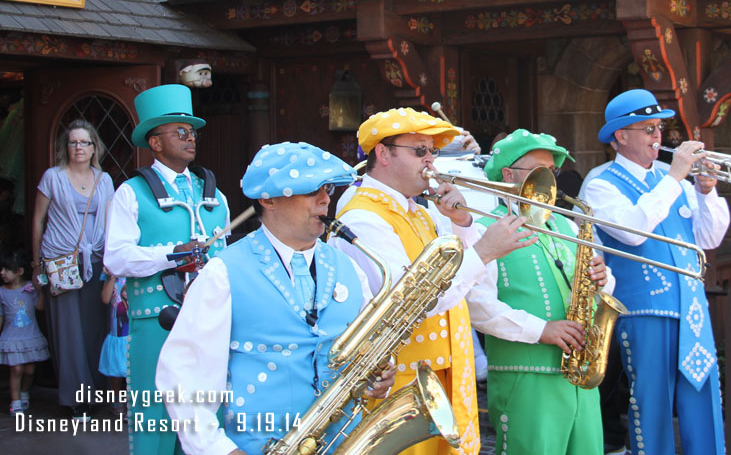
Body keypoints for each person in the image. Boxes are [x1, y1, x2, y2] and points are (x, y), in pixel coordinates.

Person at [156, 142, 394, 454]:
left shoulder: (347, 266)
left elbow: (373, 345)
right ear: (268, 199)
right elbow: (182, 375)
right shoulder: (223, 273)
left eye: (328, 190)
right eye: (312, 191)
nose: (325, 200)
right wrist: (218, 450)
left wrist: (384, 370)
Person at [334, 107, 536, 455]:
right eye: (420, 151)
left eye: (433, 151)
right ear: (383, 153)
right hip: (401, 383)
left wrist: (462, 222)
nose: (431, 161)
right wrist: (485, 249)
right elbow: (410, 300)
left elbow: (473, 281)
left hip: (441, 375)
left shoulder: (421, 211)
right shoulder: (364, 215)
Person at [582, 88, 730, 455]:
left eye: (659, 128)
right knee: (652, 408)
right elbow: (633, 231)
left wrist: (707, 192)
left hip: (691, 308)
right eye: (647, 128)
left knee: (705, 402)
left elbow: (709, 238)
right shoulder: (600, 183)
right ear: (621, 136)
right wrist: (677, 178)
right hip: (644, 310)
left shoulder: (670, 179)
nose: (657, 136)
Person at [467, 129, 612, 455]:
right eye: (538, 172)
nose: (549, 181)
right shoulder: (485, 229)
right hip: (526, 381)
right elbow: (476, 305)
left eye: (552, 172)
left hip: (580, 376)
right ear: (507, 175)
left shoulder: (567, 226)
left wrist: (603, 279)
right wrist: (541, 330)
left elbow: (597, 288)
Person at [105, 84, 230, 455]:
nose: (190, 138)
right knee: (155, 415)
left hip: (209, 320)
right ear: (155, 142)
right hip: (157, 319)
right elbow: (115, 257)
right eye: (180, 132)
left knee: (209, 414)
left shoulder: (214, 193)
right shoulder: (131, 192)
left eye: (192, 132)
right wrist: (172, 254)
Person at [30, 118, 114, 414]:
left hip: (94, 262)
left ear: (94, 148)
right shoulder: (52, 177)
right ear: (66, 147)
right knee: (68, 334)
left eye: (85, 142)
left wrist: (114, 264)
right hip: (60, 262)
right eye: (73, 142)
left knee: (95, 330)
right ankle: (75, 400)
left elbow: (111, 223)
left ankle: (97, 396)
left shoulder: (104, 180)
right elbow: (38, 220)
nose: (79, 147)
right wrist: (35, 263)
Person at [0, 249, 48, 415]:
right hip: (11, 338)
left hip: (30, 337)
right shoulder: (2, 292)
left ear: (19, 271)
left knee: (29, 371)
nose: (2, 273)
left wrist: (40, 291)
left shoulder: (30, 289)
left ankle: (24, 392)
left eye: (6, 269)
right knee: (16, 370)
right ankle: (15, 401)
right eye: (2, 269)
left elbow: (39, 307)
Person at [98, 268, 129, 418]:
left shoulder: (136, 269)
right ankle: (117, 402)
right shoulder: (111, 273)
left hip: (134, 330)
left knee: (134, 370)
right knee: (116, 371)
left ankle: (134, 403)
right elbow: (105, 298)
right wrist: (111, 277)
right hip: (117, 331)